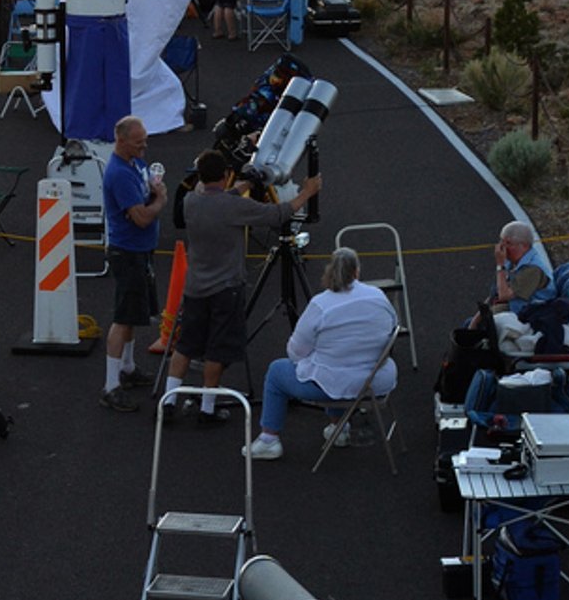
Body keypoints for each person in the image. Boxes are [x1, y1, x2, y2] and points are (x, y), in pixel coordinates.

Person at [164, 151, 321, 423]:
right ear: (225, 177)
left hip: (195, 288)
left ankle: (168, 402)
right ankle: (207, 409)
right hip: (226, 289)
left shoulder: (191, 201)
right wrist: (308, 192)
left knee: (186, 345)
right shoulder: (233, 208)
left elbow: (219, 197)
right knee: (217, 348)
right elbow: (278, 213)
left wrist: (246, 183)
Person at [246, 249, 398, 460]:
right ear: (356, 272)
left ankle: (269, 439)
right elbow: (391, 329)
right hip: (375, 382)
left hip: (335, 384)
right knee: (331, 367)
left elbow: (295, 351)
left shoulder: (320, 304)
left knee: (277, 372)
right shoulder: (378, 297)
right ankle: (339, 429)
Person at [101, 116, 167, 413]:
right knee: (123, 316)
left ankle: (127, 367)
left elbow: (144, 198)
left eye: (145, 141)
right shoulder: (119, 174)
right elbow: (141, 217)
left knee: (134, 313)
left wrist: (152, 194)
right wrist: (160, 201)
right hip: (127, 252)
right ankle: (111, 385)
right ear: (122, 141)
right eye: (139, 142)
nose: (144, 146)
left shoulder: (135, 164)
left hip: (139, 251)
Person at [486, 220, 555, 317]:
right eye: (501, 241)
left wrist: (500, 265)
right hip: (516, 307)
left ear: (524, 246)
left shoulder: (532, 269)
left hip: (532, 313)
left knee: (491, 318)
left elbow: (503, 295)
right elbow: (495, 293)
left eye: (508, 243)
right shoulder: (513, 262)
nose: (502, 247)